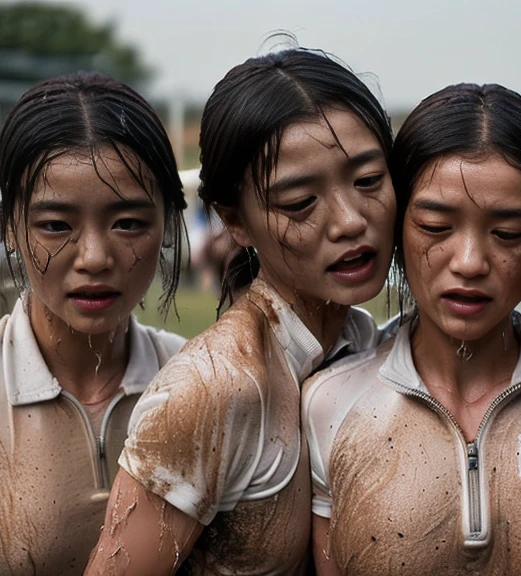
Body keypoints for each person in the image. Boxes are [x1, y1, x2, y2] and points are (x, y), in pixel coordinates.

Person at [86, 47, 396, 575]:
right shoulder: (212, 389)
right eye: (300, 203)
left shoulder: (371, 348)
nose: (349, 221)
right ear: (235, 223)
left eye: (368, 181)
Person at [303, 83, 521, 576]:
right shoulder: (329, 402)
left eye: (508, 234)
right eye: (435, 226)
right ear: (396, 225)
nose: (471, 263)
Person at [0, 72, 188, 576]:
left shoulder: (199, 382)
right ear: (10, 227)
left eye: (128, 223)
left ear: (168, 223)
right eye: (55, 225)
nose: (95, 257)